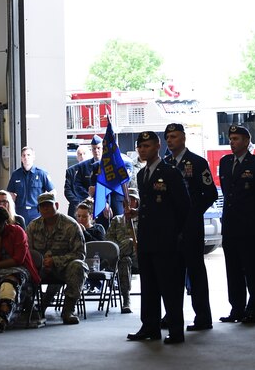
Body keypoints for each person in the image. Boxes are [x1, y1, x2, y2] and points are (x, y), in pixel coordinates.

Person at [126, 131, 190, 345]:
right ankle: (150, 326)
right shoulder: (142, 174)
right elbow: (150, 205)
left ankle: (175, 330)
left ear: (157, 146)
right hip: (146, 239)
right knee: (149, 286)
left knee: (169, 287)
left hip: (166, 241)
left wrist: (174, 234)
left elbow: (183, 207)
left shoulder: (170, 172)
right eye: (140, 146)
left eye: (147, 146)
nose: (143, 150)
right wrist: (136, 213)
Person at [163, 122, 216, 330]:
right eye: (167, 137)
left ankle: (203, 317)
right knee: (172, 274)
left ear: (183, 138)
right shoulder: (165, 163)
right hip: (170, 228)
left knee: (195, 273)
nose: (170, 140)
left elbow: (210, 193)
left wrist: (193, 214)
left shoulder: (197, 162)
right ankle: (172, 316)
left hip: (191, 227)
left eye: (174, 136)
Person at [217, 125, 255, 324]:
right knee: (233, 269)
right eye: (231, 138)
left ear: (247, 141)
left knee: (253, 270)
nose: (232, 142)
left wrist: (254, 219)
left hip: (249, 226)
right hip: (230, 226)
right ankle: (237, 308)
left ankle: (254, 310)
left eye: (236, 138)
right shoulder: (225, 162)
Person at [25, 192, 87, 325]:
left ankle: (68, 311)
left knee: (78, 266)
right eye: (42, 206)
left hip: (63, 268)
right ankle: (31, 310)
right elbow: (27, 252)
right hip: (40, 268)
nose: (45, 208)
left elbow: (80, 253)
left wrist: (55, 261)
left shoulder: (71, 225)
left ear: (57, 205)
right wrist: (40, 262)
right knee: (22, 270)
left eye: (49, 205)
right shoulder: (32, 226)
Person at [106, 187, 140, 314]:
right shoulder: (116, 220)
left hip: (140, 257)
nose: (128, 204)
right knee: (124, 260)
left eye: (131, 201)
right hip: (122, 258)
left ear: (136, 203)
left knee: (131, 243)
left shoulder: (142, 220)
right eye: (126, 201)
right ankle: (126, 300)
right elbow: (109, 242)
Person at [7, 146, 54, 225]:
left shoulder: (41, 173)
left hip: (36, 212)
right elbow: (10, 192)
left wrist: (46, 206)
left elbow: (52, 192)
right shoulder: (16, 174)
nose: (26, 157)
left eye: (28, 155)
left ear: (33, 157)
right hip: (20, 211)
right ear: (21, 158)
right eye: (24, 155)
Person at [65, 135, 102, 216]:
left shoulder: (108, 165)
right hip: (86, 204)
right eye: (94, 148)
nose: (96, 151)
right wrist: (87, 197)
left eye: (98, 148)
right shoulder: (83, 166)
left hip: (103, 204)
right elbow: (77, 185)